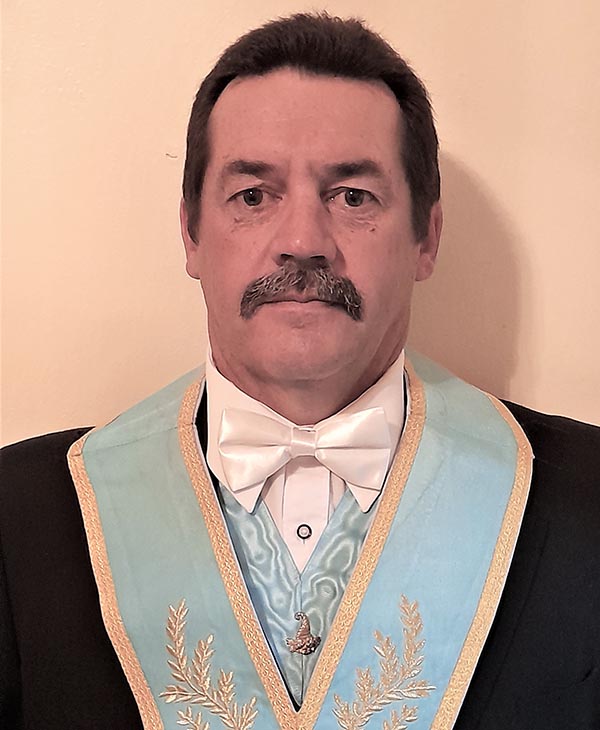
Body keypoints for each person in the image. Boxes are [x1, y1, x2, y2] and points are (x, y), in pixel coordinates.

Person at [1, 13, 599, 730]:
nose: (302, 242)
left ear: (427, 239)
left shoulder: (585, 500)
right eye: (253, 195)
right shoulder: (19, 519)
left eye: (353, 196)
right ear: (190, 233)